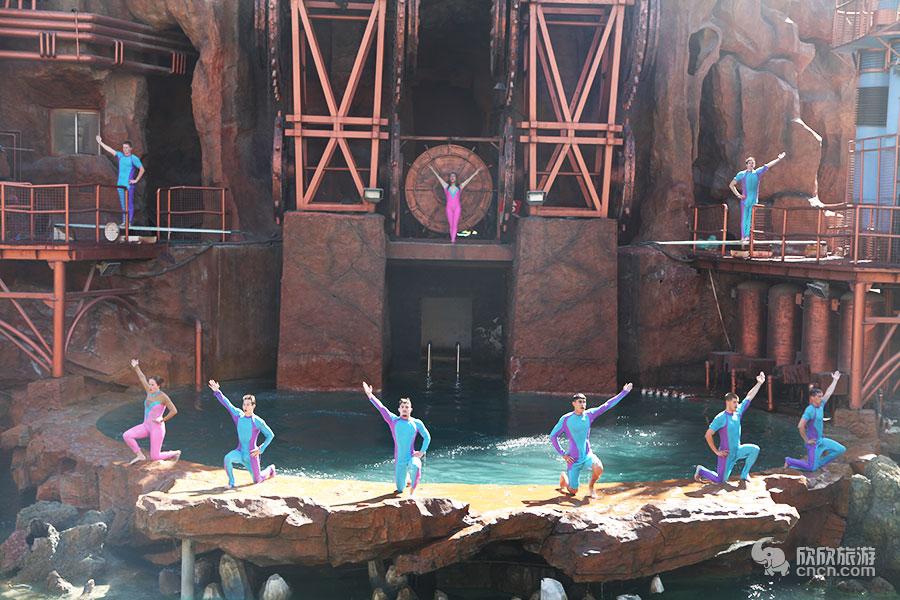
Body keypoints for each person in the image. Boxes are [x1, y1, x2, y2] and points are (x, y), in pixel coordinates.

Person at [549, 383, 633, 498]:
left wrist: (624, 392)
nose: (583, 404)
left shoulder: (589, 414)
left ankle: (591, 486)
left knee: (599, 468)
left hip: (587, 455)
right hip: (573, 459)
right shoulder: (566, 419)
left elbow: (606, 405)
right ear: (574, 404)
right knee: (573, 491)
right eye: (580, 402)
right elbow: (553, 436)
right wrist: (563, 454)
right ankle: (564, 478)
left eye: (584, 402)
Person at [694, 372, 766, 484]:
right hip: (726, 455)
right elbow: (708, 435)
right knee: (720, 481)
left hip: (737, 450)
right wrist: (717, 452)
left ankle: (744, 474)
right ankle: (701, 470)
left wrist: (759, 383)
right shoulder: (721, 417)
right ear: (727, 402)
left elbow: (749, 397)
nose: (737, 405)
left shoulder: (738, 412)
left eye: (737, 402)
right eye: (734, 402)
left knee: (755, 449)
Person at [362, 381, 431, 496]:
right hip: (399, 460)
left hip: (411, 456)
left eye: (407, 407)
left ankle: (413, 489)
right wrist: (370, 395)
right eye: (402, 407)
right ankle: (406, 479)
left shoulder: (416, 423)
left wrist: (422, 451)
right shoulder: (393, 420)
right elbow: (381, 408)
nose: (404, 409)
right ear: (399, 409)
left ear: (411, 409)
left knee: (415, 465)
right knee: (400, 489)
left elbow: (427, 437)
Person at [208, 379, 276, 488]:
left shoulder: (258, 421)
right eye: (244, 404)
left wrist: (261, 449)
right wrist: (217, 391)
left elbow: (270, 435)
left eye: (248, 405)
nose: (245, 407)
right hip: (239, 452)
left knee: (257, 480)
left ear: (253, 406)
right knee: (227, 458)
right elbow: (227, 404)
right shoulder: (238, 415)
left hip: (252, 456)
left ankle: (270, 469)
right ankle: (231, 483)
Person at [122, 359, 180, 465]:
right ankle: (140, 455)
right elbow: (142, 377)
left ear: (158, 386)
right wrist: (136, 366)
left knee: (155, 457)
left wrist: (162, 419)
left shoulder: (163, 397)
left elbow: (174, 410)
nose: (150, 387)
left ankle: (175, 453)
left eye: (153, 385)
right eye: (149, 384)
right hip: (146, 426)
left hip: (157, 428)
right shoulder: (149, 391)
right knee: (127, 435)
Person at [784, 371, 845, 471]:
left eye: (821, 396)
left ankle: (820, 464)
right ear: (812, 398)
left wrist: (835, 380)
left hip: (821, 440)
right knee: (811, 468)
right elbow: (800, 426)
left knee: (841, 449)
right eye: (819, 397)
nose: (821, 398)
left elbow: (829, 393)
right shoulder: (810, 410)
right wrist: (806, 440)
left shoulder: (821, 405)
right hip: (813, 444)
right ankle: (789, 461)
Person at [729, 152, 786, 243]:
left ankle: (748, 236)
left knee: (751, 218)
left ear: (754, 165)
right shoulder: (742, 174)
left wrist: (778, 159)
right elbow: (731, 185)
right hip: (745, 200)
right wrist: (738, 195)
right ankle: (743, 236)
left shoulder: (757, 173)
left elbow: (768, 165)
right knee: (744, 218)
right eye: (749, 163)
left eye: (753, 163)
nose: (751, 164)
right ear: (746, 164)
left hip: (754, 200)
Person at [96, 135, 144, 226]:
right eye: (123, 148)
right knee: (123, 203)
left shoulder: (133, 158)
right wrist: (100, 143)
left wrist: (136, 180)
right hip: (120, 184)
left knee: (129, 203)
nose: (125, 149)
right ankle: (124, 221)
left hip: (128, 185)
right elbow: (110, 150)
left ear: (131, 148)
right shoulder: (120, 156)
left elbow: (142, 169)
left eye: (126, 148)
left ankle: (129, 221)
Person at [428, 164, 483, 244]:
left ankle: (453, 240)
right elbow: (439, 179)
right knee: (451, 225)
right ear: (450, 178)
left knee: (455, 225)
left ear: (456, 178)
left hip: (457, 208)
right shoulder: (446, 187)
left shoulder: (459, 187)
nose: (452, 177)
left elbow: (467, 181)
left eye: (454, 176)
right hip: (449, 208)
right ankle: (452, 240)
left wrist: (475, 173)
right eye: (451, 176)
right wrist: (433, 170)